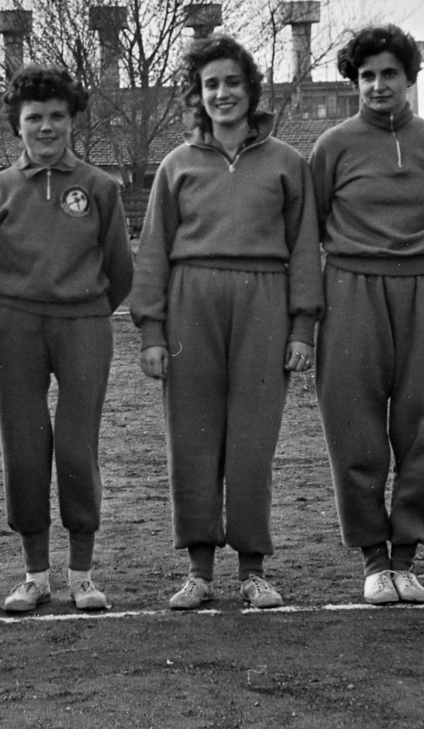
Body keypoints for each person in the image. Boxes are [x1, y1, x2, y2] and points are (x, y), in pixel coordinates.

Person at [130, 35, 322, 610]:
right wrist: (151, 331)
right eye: (210, 84)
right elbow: (153, 251)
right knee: (192, 437)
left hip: (264, 300)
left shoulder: (287, 162)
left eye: (233, 82)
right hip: (192, 301)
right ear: (198, 94)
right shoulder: (177, 164)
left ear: (251, 89)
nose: (222, 94)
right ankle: (199, 570)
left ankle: (253, 568)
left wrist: (302, 327)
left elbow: (305, 248)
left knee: (252, 441)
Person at [0, 64, 135, 614]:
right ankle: (35, 576)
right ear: (17, 124)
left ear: (72, 121)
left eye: (57, 116)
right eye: (34, 117)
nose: (46, 127)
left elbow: (120, 268)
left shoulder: (99, 186)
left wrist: (85, 308)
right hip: (18, 325)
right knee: (23, 446)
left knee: (75, 444)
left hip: (83, 325)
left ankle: (81, 575)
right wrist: (12, 315)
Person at [310, 24, 424, 605]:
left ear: (409, 77)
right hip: (351, 288)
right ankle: (374, 559)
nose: (378, 85)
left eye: (389, 74)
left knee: (423, 422)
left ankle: (406, 557)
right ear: (355, 81)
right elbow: (314, 220)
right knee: (354, 422)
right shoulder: (333, 146)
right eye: (367, 75)